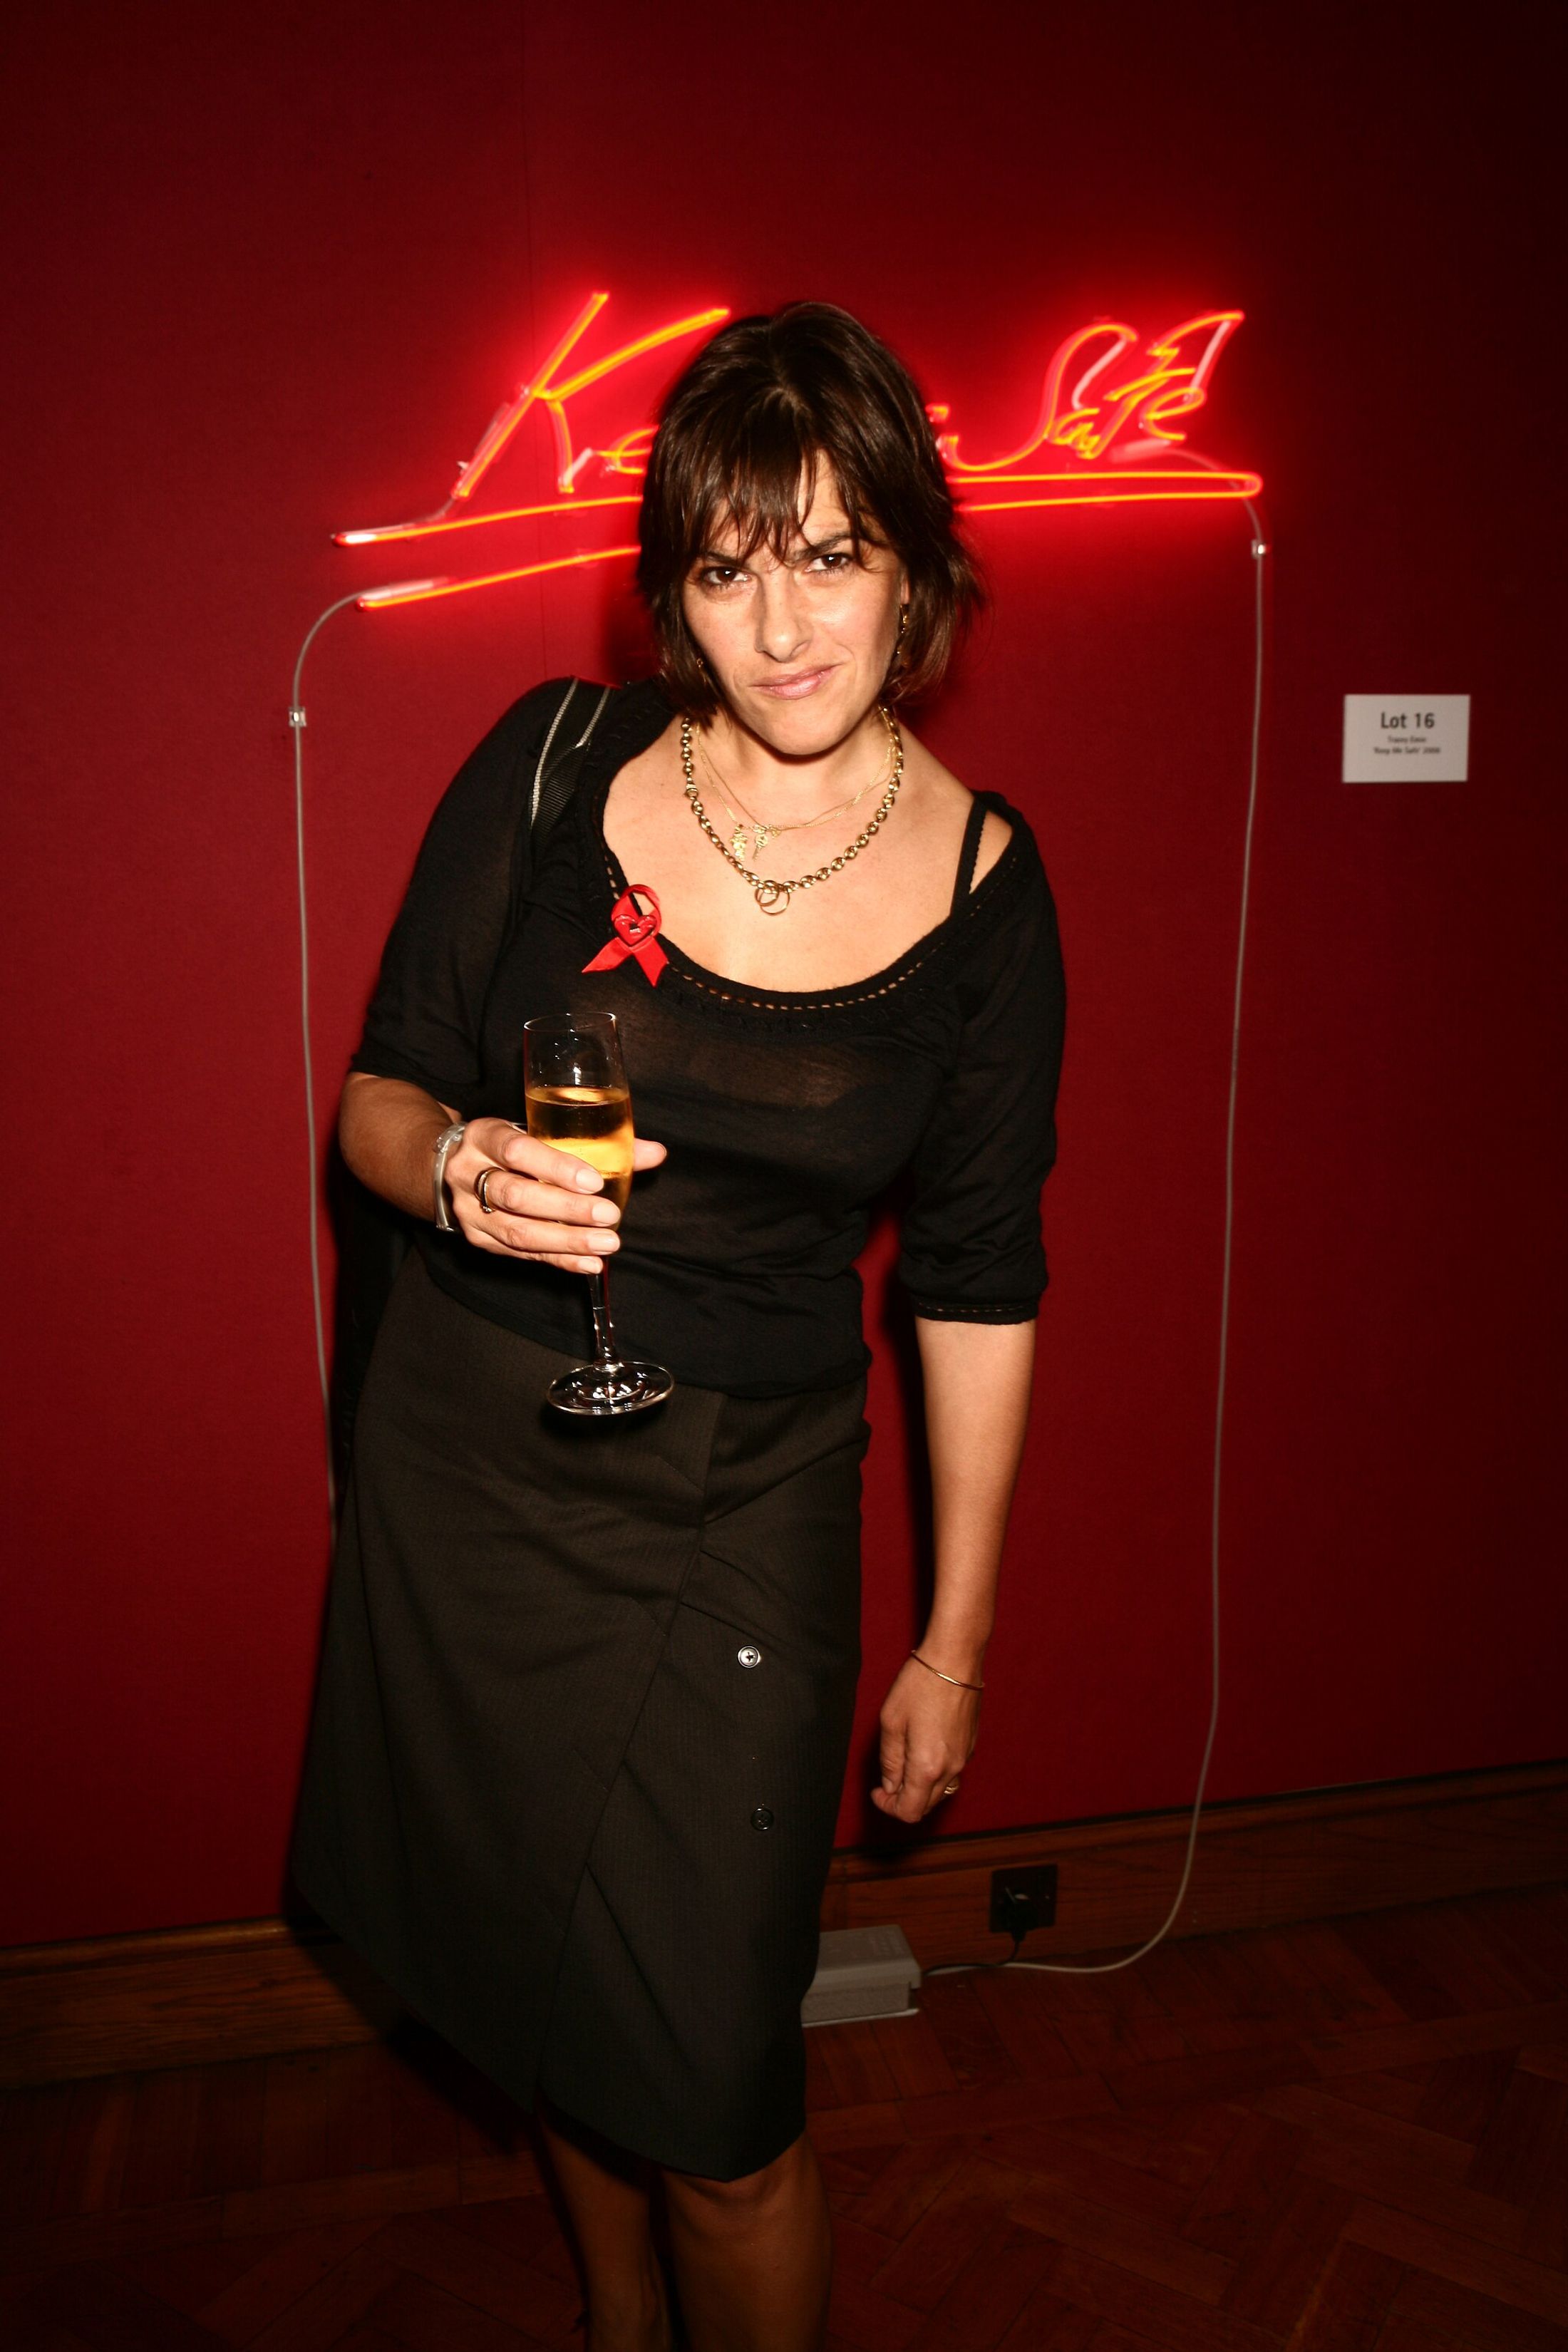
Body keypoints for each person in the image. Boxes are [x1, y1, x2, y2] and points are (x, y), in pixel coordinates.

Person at [290, 301, 1066, 2352]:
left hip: (751, 1495)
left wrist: (956, 1640)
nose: (782, 626)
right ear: (675, 592)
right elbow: (377, 1091)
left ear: (916, 562)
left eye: (830, 555)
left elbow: (978, 1280)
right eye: (727, 570)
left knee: (720, 2101)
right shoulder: (555, 762)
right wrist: (459, 1168)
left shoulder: (989, 893)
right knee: (554, 1988)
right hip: (485, 1469)